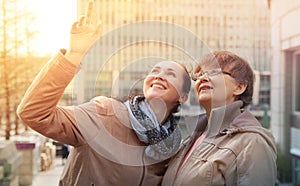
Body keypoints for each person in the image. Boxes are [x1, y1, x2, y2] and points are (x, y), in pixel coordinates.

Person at [17, 1, 191, 185]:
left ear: (183, 96)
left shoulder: (172, 150)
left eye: (170, 74)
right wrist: (74, 54)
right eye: (155, 71)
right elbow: (33, 113)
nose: (159, 77)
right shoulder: (105, 114)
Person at [162, 51, 277, 185]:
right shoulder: (192, 138)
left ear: (239, 87)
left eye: (214, 72)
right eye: (199, 75)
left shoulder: (252, 142)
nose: (202, 78)